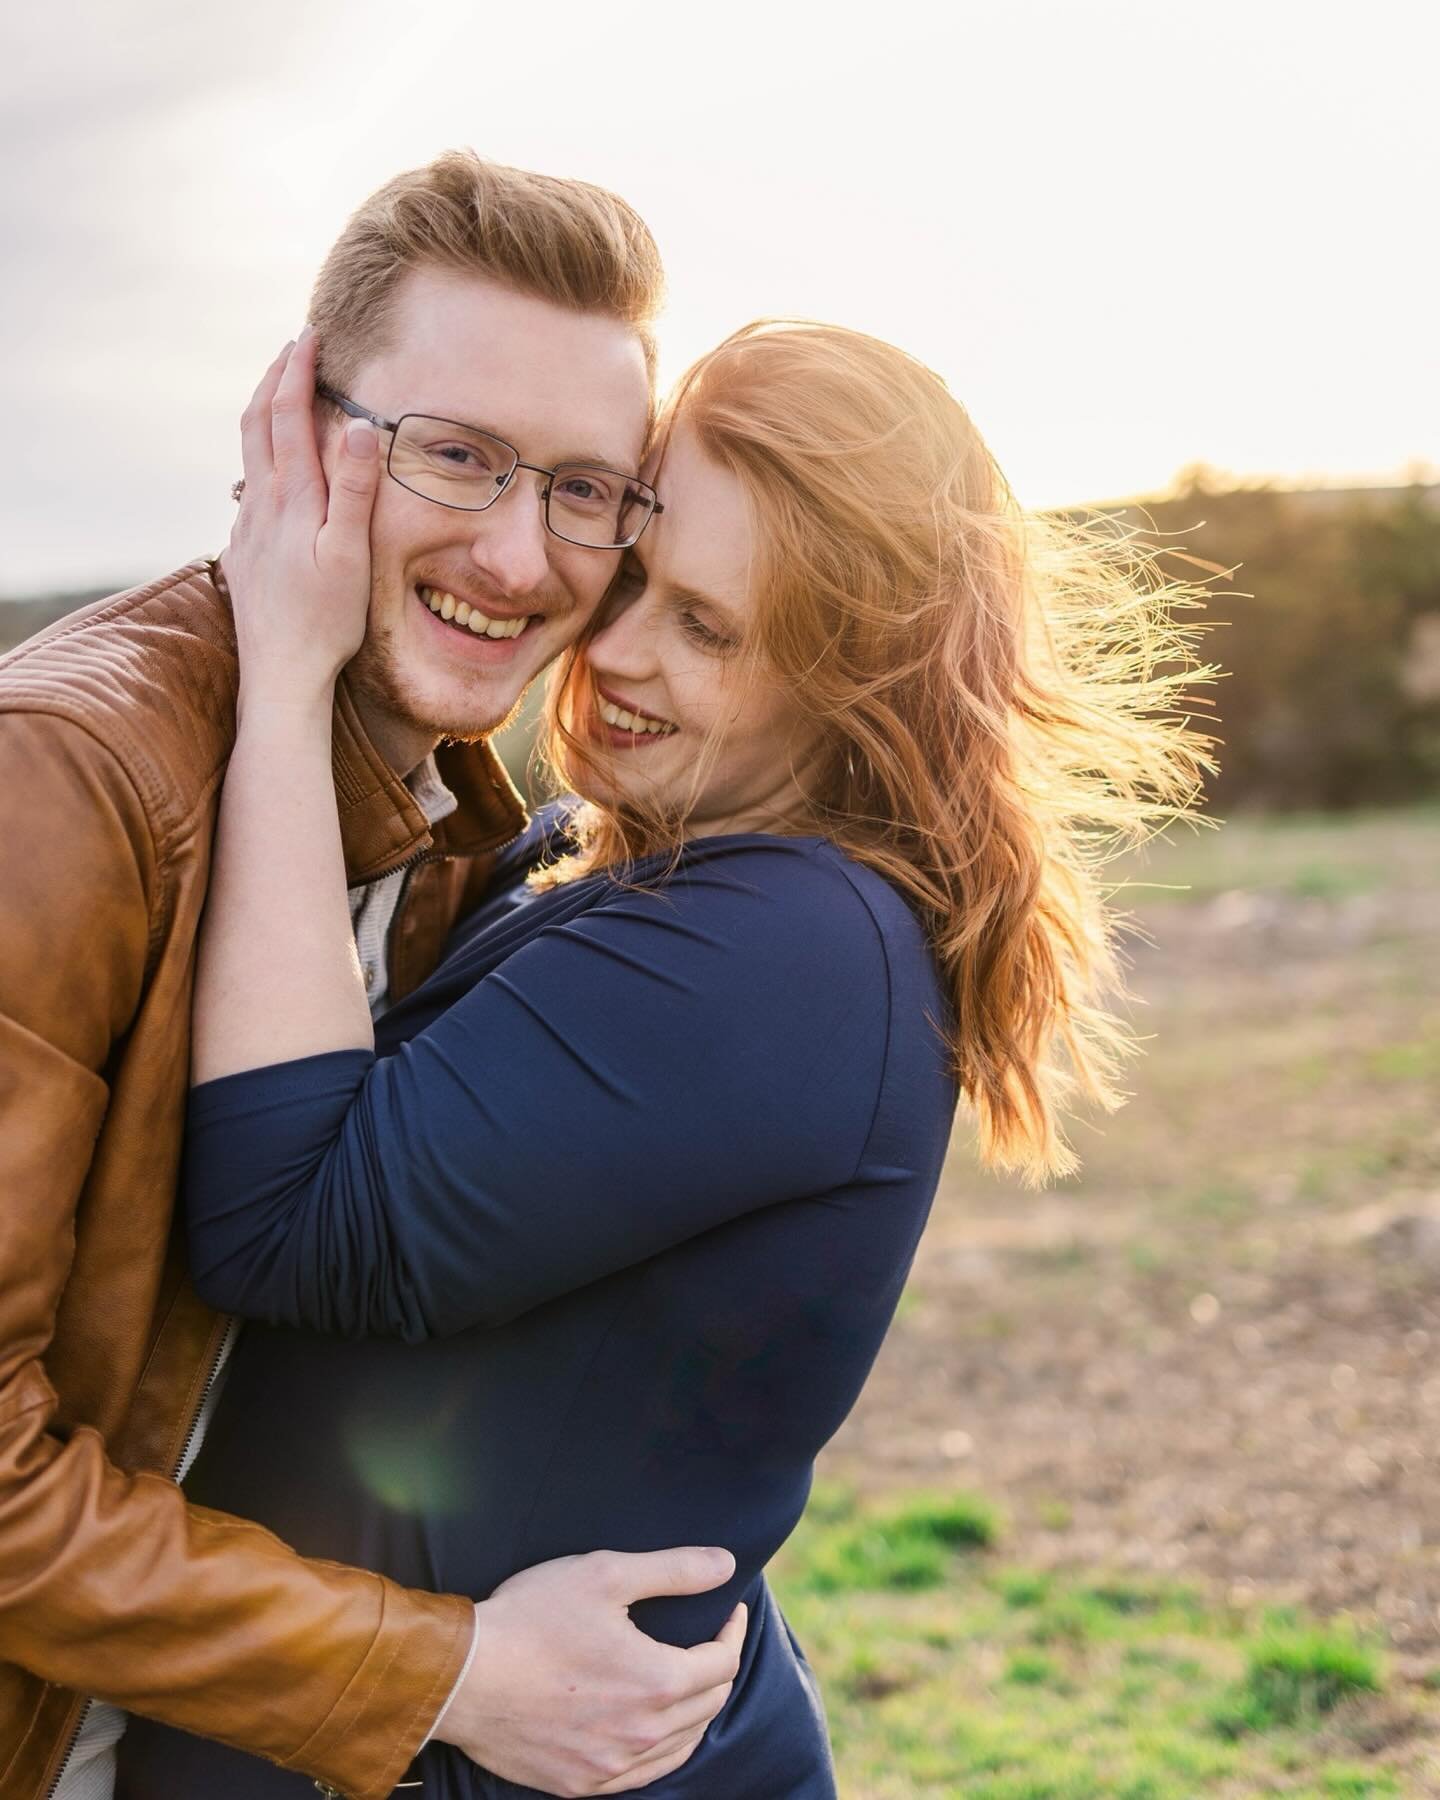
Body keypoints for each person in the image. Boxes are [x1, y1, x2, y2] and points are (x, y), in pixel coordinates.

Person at [116, 320, 1213, 1796]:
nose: (619, 651)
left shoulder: (800, 945)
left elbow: (284, 1221)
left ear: (852, 682)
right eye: (632, 574)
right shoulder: (622, 852)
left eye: (709, 627)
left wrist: (289, 668)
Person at [0, 151, 746, 1800]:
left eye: (583, 488)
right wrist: (449, 1671)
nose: (517, 557)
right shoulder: (59, 787)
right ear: (302, 430)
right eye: (458, 457)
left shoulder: (446, 818)